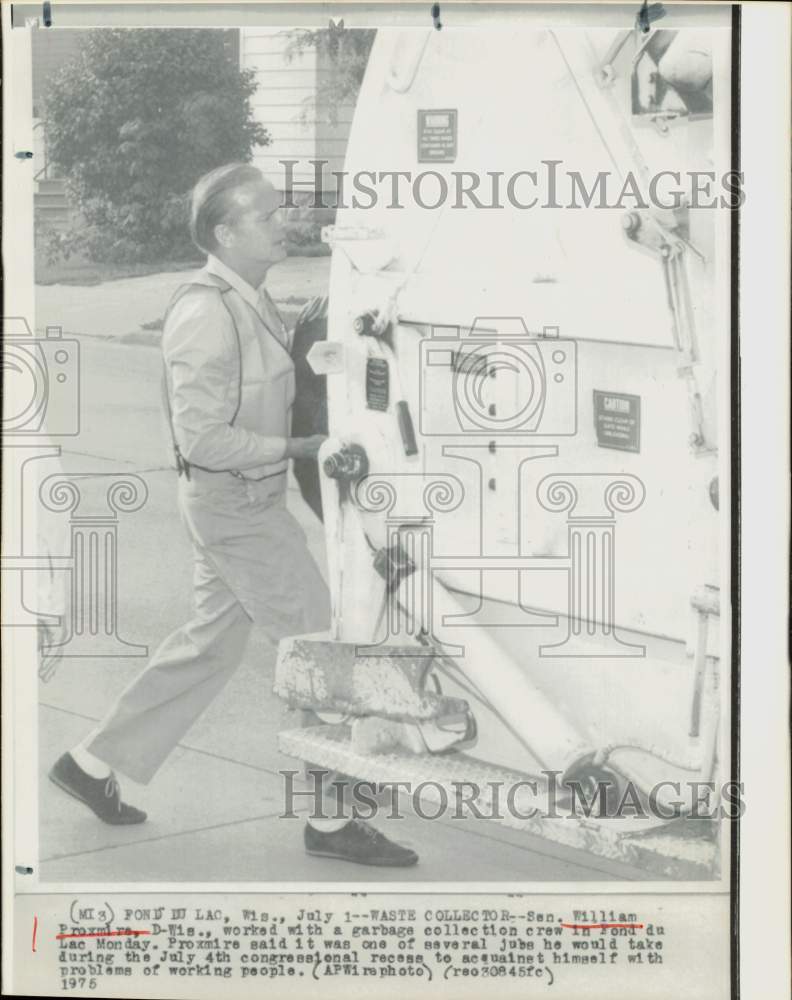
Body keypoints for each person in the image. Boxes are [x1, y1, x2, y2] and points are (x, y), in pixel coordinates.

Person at [49, 163, 418, 868]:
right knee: (320, 645)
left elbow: (271, 385)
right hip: (237, 508)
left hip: (239, 503)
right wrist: (299, 444)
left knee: (208, 647)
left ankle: (89, 764)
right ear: (225, 231)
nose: (286, 225)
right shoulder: (205, 311)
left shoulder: (249, 297)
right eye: (268, 216)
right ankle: (332, 824)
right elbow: (202, 438)